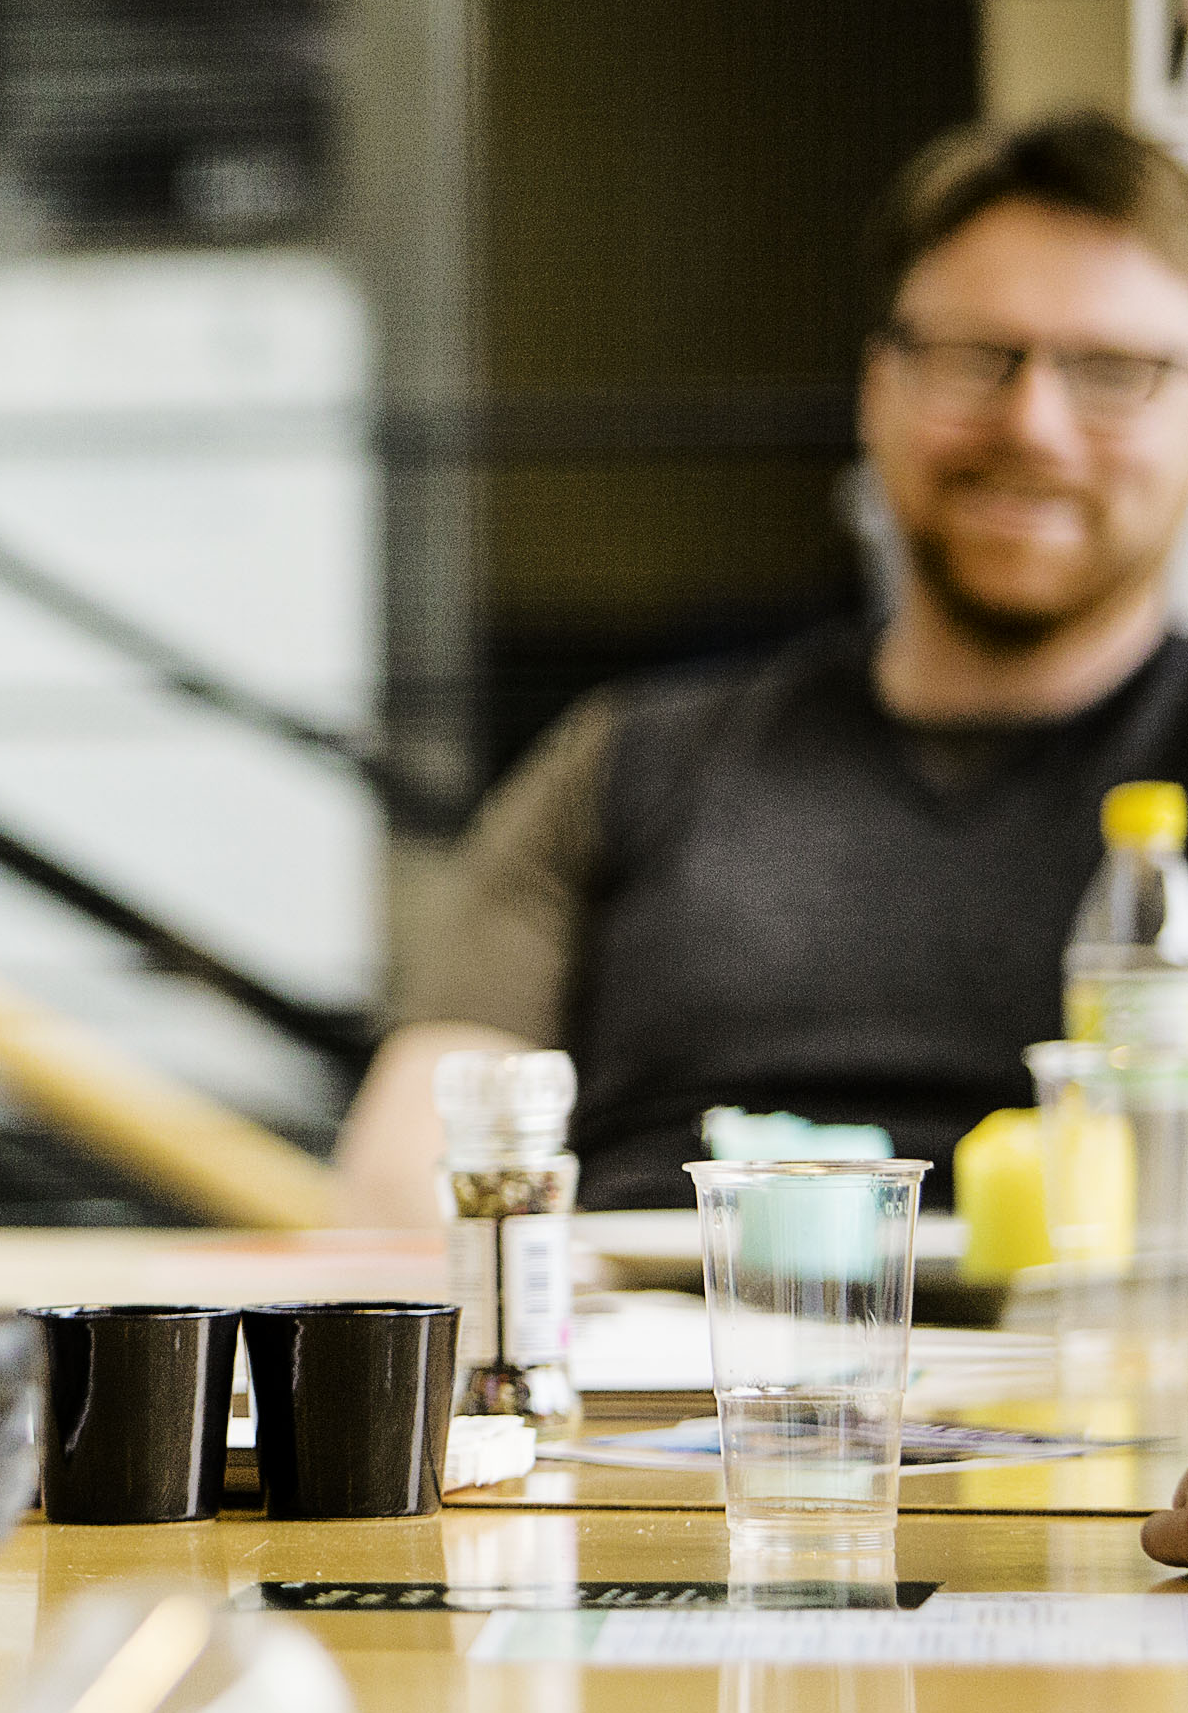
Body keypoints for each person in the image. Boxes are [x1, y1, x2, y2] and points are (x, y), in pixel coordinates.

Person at [336, 109, 1188, 1221]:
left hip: (1104, 1376)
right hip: (643, 1374)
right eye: (976, 359)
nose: (1032, 422)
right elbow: (403, 1171)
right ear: (878, 388)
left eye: (1111, 370)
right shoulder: (630, 761)